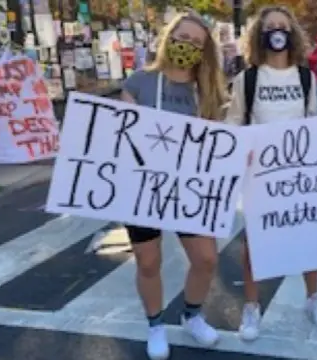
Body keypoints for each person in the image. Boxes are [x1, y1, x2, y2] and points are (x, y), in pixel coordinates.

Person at [120, 11, 229, 360]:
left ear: (204, 50)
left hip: (189, 187)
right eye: (182, 37)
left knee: (206, 258)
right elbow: (123, 133)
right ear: (169, 37)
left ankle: (192, 314)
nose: (188, 46)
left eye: (197, 43)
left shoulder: (206, 89)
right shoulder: (139, 81)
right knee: (148, 262)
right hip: (143, 185)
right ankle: (155, 324)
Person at [225, 5, 317, 342]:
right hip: (261, 174)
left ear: (292, 34)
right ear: (260, 34)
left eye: (282, 26)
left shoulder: (305, 77)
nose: (276, 31)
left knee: (308, 237)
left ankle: (313, 298)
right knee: (253, 243)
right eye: (270, 26)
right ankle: (252, 306)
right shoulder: (248, 78)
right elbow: (235, 121)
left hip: (300, 172)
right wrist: (239, 149)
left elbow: (314, 119)